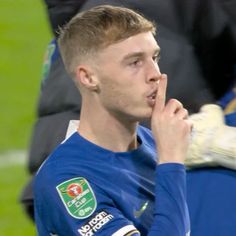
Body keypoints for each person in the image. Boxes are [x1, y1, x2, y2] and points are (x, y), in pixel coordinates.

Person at [33, 5, 192, 235]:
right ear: (88, 77)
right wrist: (171, 162)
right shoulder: (67, 182)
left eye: (155, 57)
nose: (155, 73)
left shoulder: (157, 142)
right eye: (135, 62)